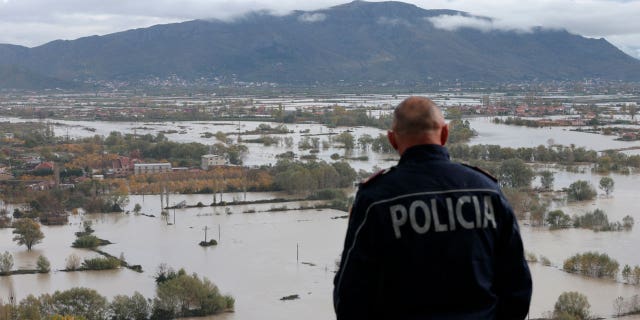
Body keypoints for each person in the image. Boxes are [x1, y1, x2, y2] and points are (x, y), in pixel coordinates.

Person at [333, 97, 532, 319]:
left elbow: (351, 295)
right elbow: (517, 287)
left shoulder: (376, 199)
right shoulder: (488, 191)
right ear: (445, 134)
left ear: (392, 140)